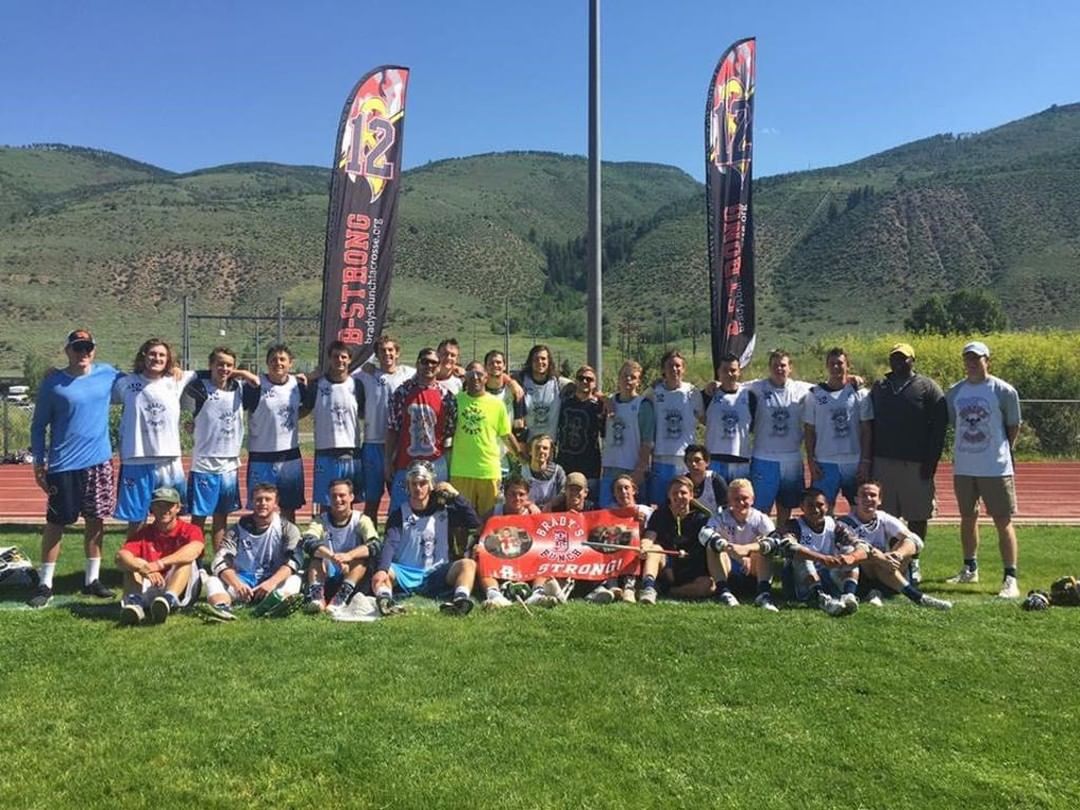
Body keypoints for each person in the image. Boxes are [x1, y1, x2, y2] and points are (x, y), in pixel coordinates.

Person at [28, 329, 122, 607]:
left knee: (96, 520)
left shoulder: (108, 374)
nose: (83, 353)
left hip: (99, 462)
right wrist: (38, 463)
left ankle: (92, 580)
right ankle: (46, 583)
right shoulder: (53, 383)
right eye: (77, 348)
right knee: (56, 523)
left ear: (94, 350)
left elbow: (144, 377)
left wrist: (178, 371)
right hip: (63, 465)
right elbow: (38, 426)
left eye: (87, 348)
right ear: (67, 351)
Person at [944, 341, 1022, 599]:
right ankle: (970, 568)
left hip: (995, 468)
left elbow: (1013, 426)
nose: (971, 363)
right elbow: (954, 423)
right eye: (967, 359)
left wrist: (1002, 451)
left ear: (987, 360)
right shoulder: (955, 392)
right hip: (965, 467)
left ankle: (1010, 577)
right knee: (968, 517)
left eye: (976, 359)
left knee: (1002, 521)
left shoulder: (1003, 391)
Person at [868, 342, 947, 585]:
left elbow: (939, 427)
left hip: (916, 464)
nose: (898, 362)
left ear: (913, 360)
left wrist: (931, 461)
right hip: (883, 461)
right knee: (887, 517)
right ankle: (891, 561)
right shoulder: (880, 387)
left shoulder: (928, 387)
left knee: (917, 515)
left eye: (903, 358)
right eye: (895, 358)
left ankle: (913, 560)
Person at [112, 338, 197, 537]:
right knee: (136, 520)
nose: (156, 358)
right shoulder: (125, 382)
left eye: (162, 355)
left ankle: (171, 555)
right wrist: (57, 372)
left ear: (168, 359)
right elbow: (93, 377)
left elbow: (216, 372)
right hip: (136, 459)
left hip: (168, 460)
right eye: (152, 354)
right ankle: (134, 557)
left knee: (171, 517)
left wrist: (242, 373)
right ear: (143, 356)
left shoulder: (176, 380)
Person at [372, 461, 481, 616]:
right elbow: (390, 544)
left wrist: (456, 495)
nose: (418, 488)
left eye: (422, 483)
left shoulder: (445, 511)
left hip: (437, 572)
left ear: (431, 485)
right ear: (408, 486)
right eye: (414, 484)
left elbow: (474, 521)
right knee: (385, 570)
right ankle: (385, 601)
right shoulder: (399, 514)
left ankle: (460, 600)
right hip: (405, 573)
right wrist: (382, 570)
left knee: (468, 564)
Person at [183, 346, 255, 551]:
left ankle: (218, 560)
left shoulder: (239, 388)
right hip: (204, 462)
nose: (225, 369)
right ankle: (194, 560)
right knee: (198, 517)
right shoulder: (200, 387)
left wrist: (241, 373)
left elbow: (257, 382)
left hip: (229, 463)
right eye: (220, 364)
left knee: (221, 517)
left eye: (229, 365)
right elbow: (185, 378)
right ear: (211, 365)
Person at [838, 481, 952, 609]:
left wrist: (897, 555)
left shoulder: (883, 517)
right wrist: (882, 559)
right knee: (860, 554)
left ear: (880, 500)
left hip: (885, 570)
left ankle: (877, 592)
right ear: (856, 499)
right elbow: (860, 550)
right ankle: (917, 597)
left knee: (906, 543)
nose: (868, 499)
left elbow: (915, 540)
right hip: (861, 575)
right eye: (864, 495)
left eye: (873, 495)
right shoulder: (844, 523)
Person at [200, 483, 305, 620]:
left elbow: (294, 561)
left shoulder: (288, 529)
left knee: (295, 580)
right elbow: (220, 561)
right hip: (243, 583)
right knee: (213, 581)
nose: (263, 503)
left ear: (276, 502)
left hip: (272, 583)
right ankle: (222, 609)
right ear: (252, 502)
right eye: (258, 499)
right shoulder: (237, 529)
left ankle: (273, 607)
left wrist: (271, 583)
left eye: (268, 499)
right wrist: (237, 585)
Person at [115, 487, 205, 625]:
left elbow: (195, 549)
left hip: (179, 585)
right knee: (132, 564)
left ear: (178, 508)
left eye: (169, 505)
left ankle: (168, 600)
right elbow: (121, 556)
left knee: (186, 561)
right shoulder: (143, 533)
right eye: (159, 505)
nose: (164, 510)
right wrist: (142, 568)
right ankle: (135, 605)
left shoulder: (191, 530)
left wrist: (158, 564)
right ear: (152, 508)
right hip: (151, 582)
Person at [385, 347, 457, 517]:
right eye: (425, 361)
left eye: (434, 363)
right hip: (406, 463)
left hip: (436, 464)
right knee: (399, 512)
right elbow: (393, 429)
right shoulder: (402, 392)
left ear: (439, 366)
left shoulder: (447, 396)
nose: (429, 366)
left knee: (439, 513)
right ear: (417, 364)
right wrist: (387, 461)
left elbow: (449, 432)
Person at [242, 343, 309, 524]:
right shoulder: (255, 385)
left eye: (282, 359)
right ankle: (261, 540)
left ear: (290, 363)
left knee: (289, 508)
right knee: (260, 509)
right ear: (267, 363)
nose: (278, 363)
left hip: (290, 457)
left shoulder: (298, 385)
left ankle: (289, 541)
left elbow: (307, 406)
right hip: (261, 456)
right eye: (273, 360)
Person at [803, 347, 873, 512]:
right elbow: (809, 430)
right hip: (825, 462)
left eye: (840, 363)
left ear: (848, 365)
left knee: (859, 511)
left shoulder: (861, 393)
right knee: (823, 510)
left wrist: (865, 461)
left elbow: (866, 430)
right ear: (826, 366)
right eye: (832, 363)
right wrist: (811, 461)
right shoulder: (814, 395)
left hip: (853, 462)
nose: (836, 367)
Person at [450, 361, 523, 516]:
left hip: (489, 471)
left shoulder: (497, 405)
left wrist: (521, 456)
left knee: (490, 520)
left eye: (479, 374)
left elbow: (506, 435)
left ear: (486, 378)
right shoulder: (455, 401)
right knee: (461, 520)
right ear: (465, 377)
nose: (475, 378)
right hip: (461, 471)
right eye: (471, 374)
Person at [354, 334, 414, 524]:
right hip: (373, 444)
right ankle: (370, 539)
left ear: (397, 353)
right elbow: (344, 370)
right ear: (377, 355)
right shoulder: (366, 374)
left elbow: (435, 373)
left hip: (399, 446)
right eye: (382, 351)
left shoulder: (408, 373)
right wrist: (364, 365)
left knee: (401, 500)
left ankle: (395, 537)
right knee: (372, 501)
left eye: (390, 350)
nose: (387, 354)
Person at [748, 349, 811, 528]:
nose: (779, 369)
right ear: (769, 368)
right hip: (764, 458)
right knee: (761, 510)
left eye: (783, 365)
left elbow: (830, 387)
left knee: (786, 506)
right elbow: (731, 385)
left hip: (792, 459)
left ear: (790, 367)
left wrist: (850, 379)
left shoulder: (802, 389)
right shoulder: (757, 387)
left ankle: (782, 539)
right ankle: (763, 540)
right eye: (775, 365)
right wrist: (714, 385)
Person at [300, 479, 381, 614]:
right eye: (334, 496)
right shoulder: (320, 520)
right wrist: (332, 557)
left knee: (361, 561)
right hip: (328, 570)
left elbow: (375, 545)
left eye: (342, 495)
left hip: (352, 573)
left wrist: (349, 556)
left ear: (351, 497)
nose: (338, 500)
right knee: (315, 560)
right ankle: (317, 598)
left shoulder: (361, 519)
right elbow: (308, 541)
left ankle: (341, 597)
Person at [306, 341, 366, 511]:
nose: (339, 360)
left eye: (343, 357)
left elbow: (363, 414)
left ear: (349, 360)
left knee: (348, 503)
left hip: (351, 451)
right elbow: (303, 409)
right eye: (335, 356)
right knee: (326, 503)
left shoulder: (357, 385)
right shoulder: (317, 385)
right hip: (325, 451)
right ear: (329, 359)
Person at [699, 478, 776, 610]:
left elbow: (775, 540)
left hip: (753, 571)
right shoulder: (720, 517)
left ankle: (764, 594)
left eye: (745, 498)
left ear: (752, 499)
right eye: (736, 499)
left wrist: (747, 549)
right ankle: (724, 592)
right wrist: (728, 548)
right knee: (712, 547)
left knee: (765, 548)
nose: (740, 503)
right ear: (729, 501)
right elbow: (704, 534)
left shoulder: (760, 518)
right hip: (728, 571)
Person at [638, 475, 713, 604]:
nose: (678, 496)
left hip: (692, 567)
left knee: (708, 586)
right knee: (655, 549)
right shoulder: (660, 514)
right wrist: (644, 546)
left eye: (683, 493)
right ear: (669, 495)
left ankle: (667, 590)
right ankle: (648, 588)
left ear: (691, 495)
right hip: (666, 565)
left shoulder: (702, 518)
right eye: (674, 493)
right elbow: (650, 536)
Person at [648, 349, 704, 506]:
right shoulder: (654, 392)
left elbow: (704, 419)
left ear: (683, 369)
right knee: (659, 504)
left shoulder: (692, 392)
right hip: (660, 457)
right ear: (663, 370)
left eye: (678, 366)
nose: (674, 369)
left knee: (683, 504)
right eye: (670, 366)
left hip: (684, 460)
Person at [598, 360, 654, 508]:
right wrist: (603, 397)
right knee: (606, 514)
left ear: (638, 382)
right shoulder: (609, 401)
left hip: (632, 470)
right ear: (618, 378)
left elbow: (647, 442)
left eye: (633, 377)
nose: (628, 380)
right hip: (609, 469)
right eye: (624, 375)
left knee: (632, 515)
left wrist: (640, 469)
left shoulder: (643, 405)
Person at [703, 353, 753, 484]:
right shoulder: (708, 394)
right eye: (725, 370)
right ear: (718, 372)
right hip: (714, 460)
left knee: (740, 496)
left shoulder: (749, 395)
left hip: (741, 461)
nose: (729, 374)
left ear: (739, 371)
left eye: (733, 370)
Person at [555, 365, 606, 490]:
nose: (584, 381)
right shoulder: (563, 403)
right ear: (575, 381)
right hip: (564, 463)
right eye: (581, 378)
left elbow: (605, 433)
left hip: (589, 465)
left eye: (589, 379)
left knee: (589, 499)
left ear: (595, 384)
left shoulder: (600, 406)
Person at [483, 350, 526, 476]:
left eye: (498, 362)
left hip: (509, 452)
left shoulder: (514, 391)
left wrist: (518, 453)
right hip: (486, 452)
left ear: (504, 366)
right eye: (491, 363)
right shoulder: (478, 391)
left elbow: (520, 426)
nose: (495, 365)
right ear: (485, 366)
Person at [517, 344, 571, 441]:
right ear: (530, 361)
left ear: (549, 361)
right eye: (536, 359)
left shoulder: (558, 382)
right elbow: (502, 379)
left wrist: (598, 395)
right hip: (527, 443)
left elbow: (581, 386)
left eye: (543, 358)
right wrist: (511, 382)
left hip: (549, 444)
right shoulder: (521, 381)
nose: (540, 362)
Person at [521, 434, 566, 511]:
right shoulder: (521, 471)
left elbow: (564, 492)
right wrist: (529, 504)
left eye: (545, 448)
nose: (541, 451)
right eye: (537, 448)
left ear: (550, 452)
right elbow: (512, 494)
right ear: (530, 451)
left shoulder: (558, 471)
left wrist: (551, 504)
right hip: (527, 513)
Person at [683, 444, 727, 515]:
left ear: (707, 462)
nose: (693, 464)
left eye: (697, 460)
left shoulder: (715, 480)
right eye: (690, 460)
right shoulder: (682, 482)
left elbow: (727, 507)